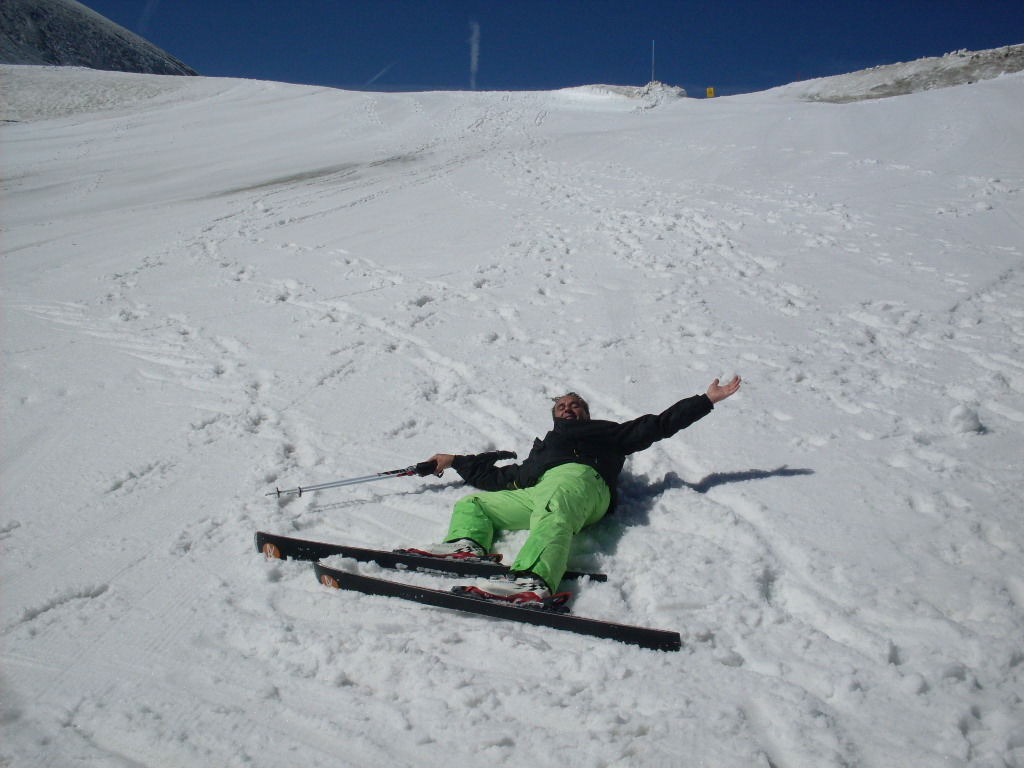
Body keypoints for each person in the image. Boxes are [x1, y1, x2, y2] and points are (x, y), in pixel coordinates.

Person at [409, 377, 742, 603]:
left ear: (586, 413)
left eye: (575, 405)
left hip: (585, 487)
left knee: (554, 504)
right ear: (555, 417)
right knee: (475, 504)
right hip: (542, 491)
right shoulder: (542, 453)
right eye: (562, 407)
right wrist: (454, 461)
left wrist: (705, 400)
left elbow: (658, 425)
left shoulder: (607, 434)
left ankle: (533, 581)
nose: (568, 408)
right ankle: (466, 546)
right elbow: (498, 478)